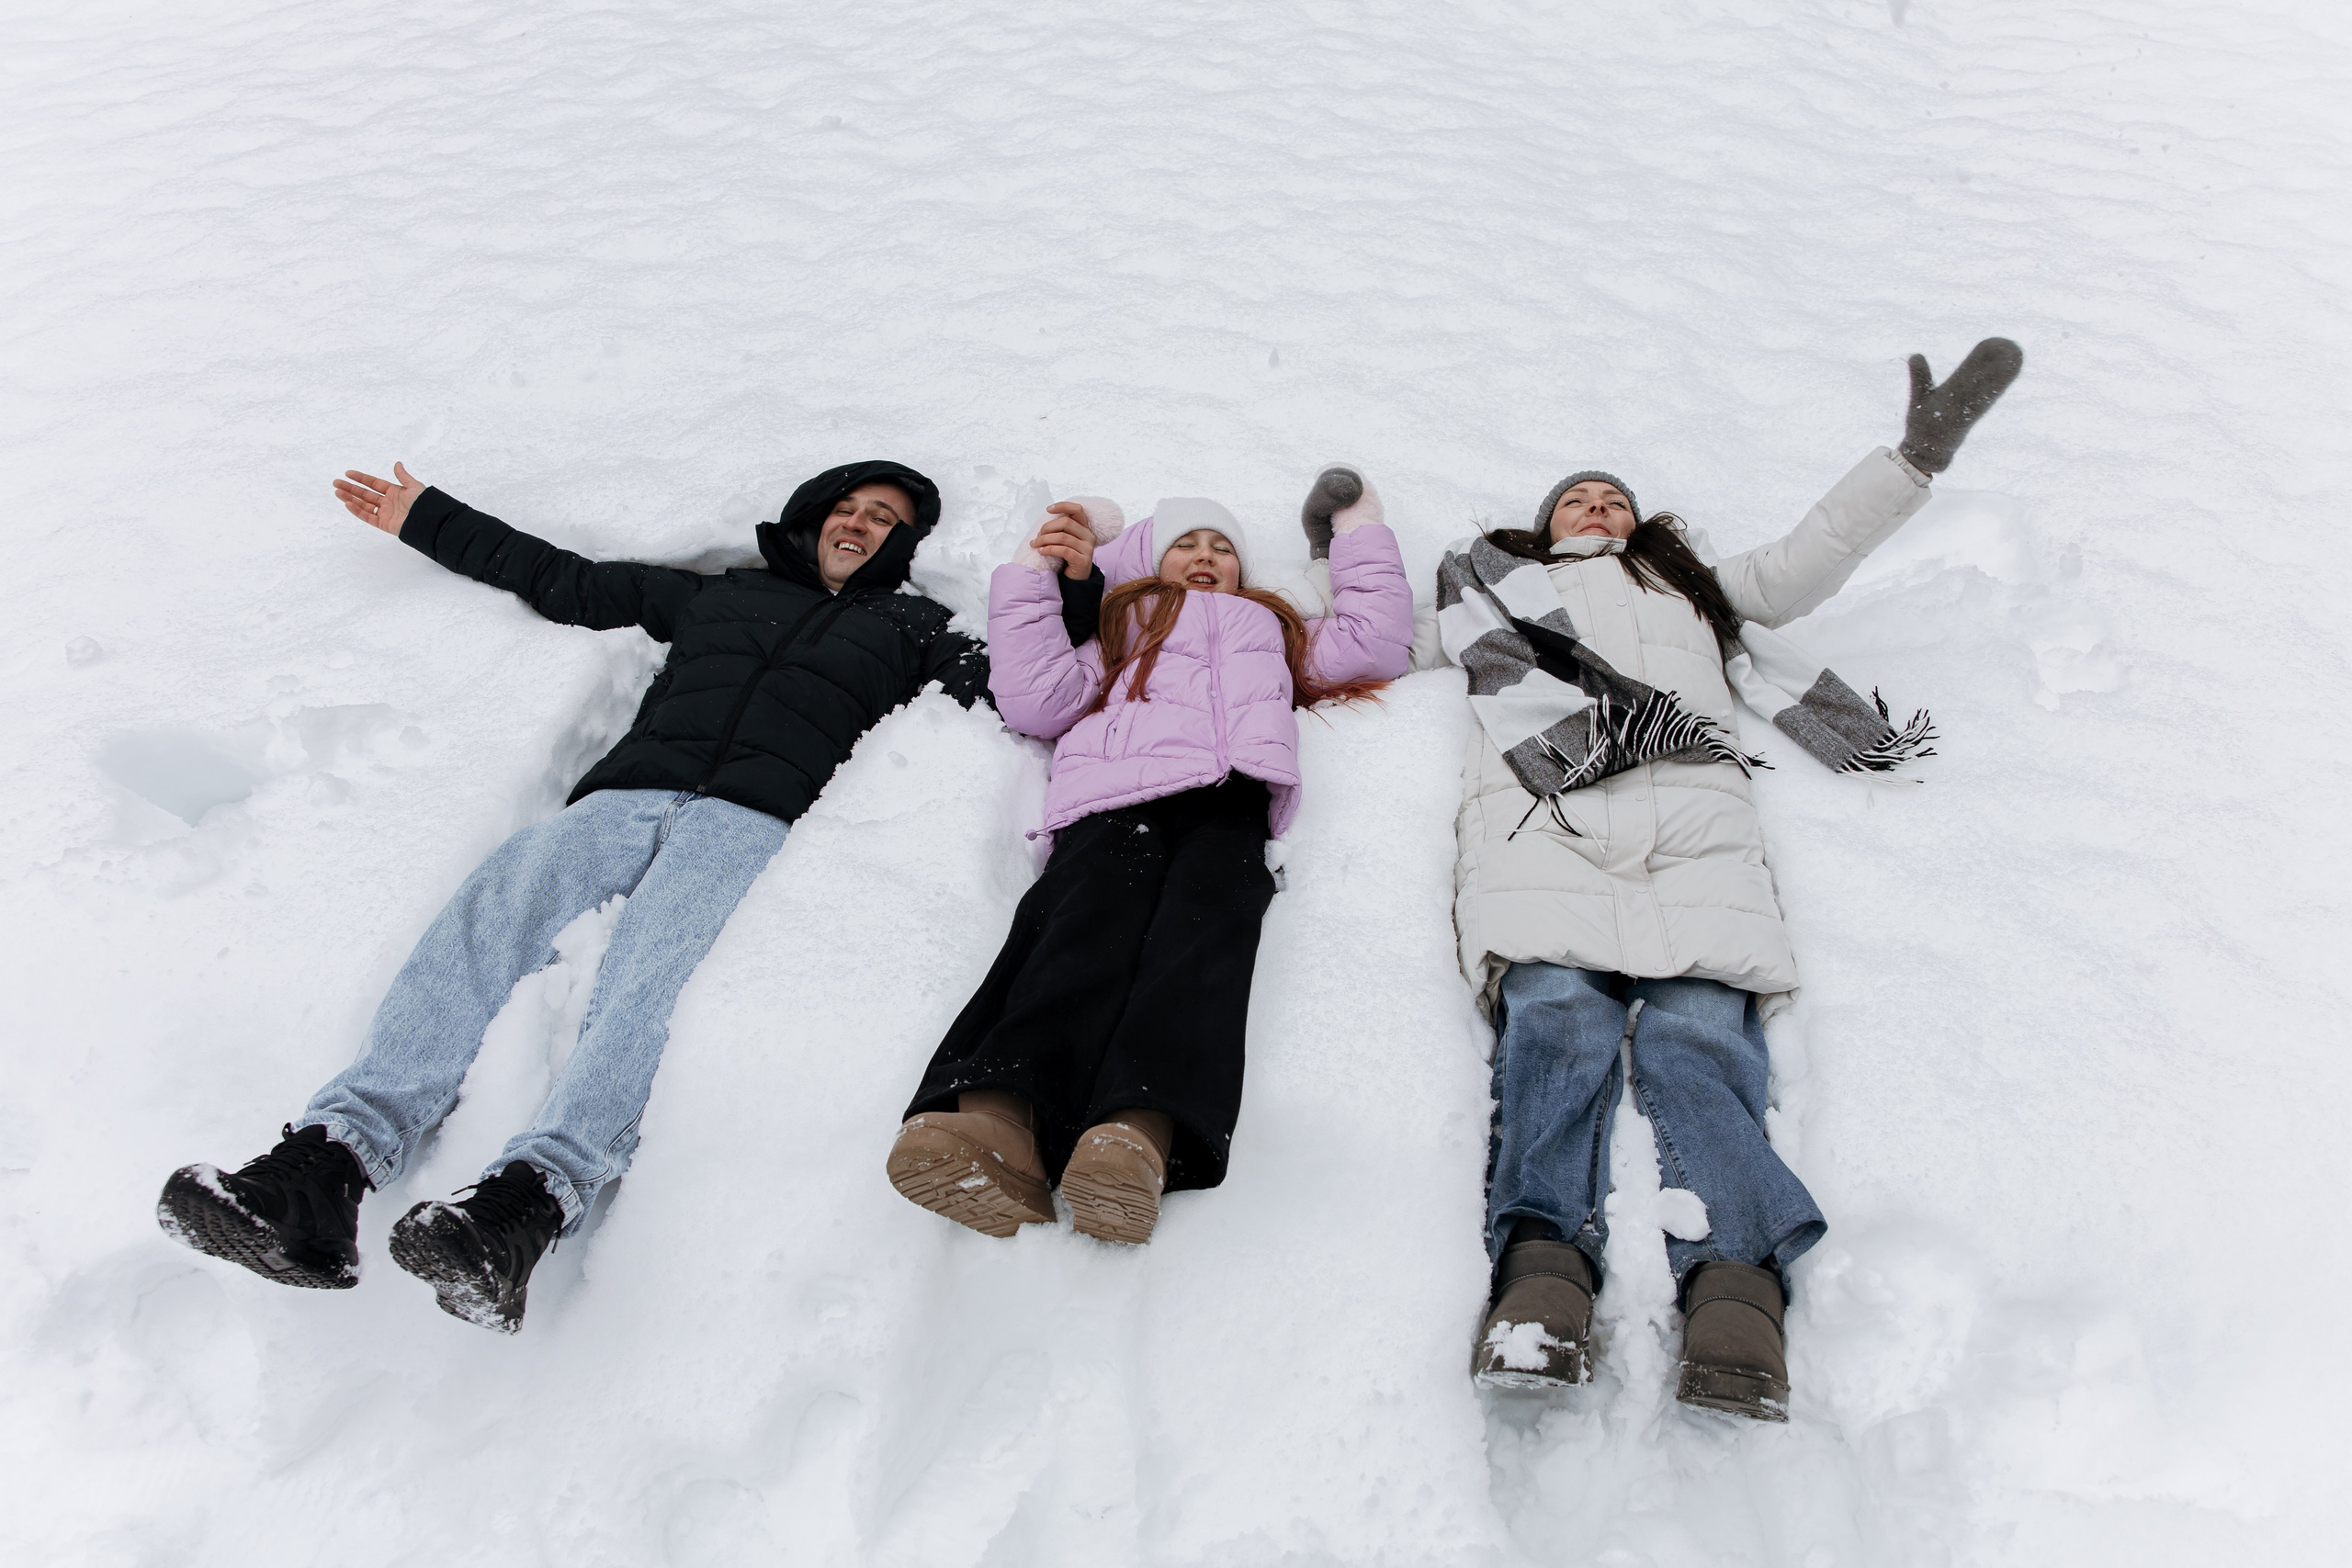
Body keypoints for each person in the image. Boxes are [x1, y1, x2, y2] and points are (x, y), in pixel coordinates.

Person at [156, 457, 1100, 1332]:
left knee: (646, 986)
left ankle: (526, 1208)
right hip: (624, 796)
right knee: (486, 920)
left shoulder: (910, 631)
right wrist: (427, 519)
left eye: (884, 520)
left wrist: (1071, 592)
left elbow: (1021, 695)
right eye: (850, 508)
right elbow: (568, 582)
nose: (861, 524)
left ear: (902, 546)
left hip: (748, 820)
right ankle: (326, 1168)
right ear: (812, 520)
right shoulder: (720, 594)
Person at [1450, 341, 2024, 1417]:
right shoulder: (1490, 598)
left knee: (1702, 1041)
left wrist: (1910, 460)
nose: (1597, 506)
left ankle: (1735, 1295)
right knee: (1558, 1026)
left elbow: (1809, 560)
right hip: (1549, 817)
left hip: (1697, 829)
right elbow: (1360, 634)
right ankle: (1542, 1276)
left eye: (1614, 498)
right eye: (1577, 498)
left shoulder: (1697, 594)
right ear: (1545, 524)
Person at [885, 471, 1414, 1245]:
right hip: (1113, 798)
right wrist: (1038, 571)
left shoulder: (1274, 625)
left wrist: (1357, 528)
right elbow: (1037, 698)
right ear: (1147, 563)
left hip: (1227, 801)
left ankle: (1133, 1135)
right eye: (1185, 546)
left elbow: (1375, 644)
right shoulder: (1123, 625)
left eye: (1222, 548)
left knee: (1204, 940)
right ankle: (996, 1122)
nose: (1205, 558)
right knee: (1080, 930)